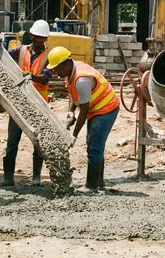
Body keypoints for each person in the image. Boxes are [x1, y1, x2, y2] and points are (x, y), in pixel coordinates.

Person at [47, 46, 119, 193]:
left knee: (94, 145)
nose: (55, 72)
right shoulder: (70, 73)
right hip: (95, 108)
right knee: (95, 143)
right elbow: (72, 95)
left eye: (57, 68)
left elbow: (84, 111)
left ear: (65, 64)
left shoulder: (82, 79)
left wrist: (73, 135)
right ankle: (98, 182)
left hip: (106, 108)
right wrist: (70, 112)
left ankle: (91, 186)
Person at [0, 19, 53, 187]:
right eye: (36, 36)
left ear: (45, 39)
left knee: (37, 142)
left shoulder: (49, 57)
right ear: (32, 35)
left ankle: (36, 177)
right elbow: (5, 55)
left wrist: (31, 76)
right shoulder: (21, 50)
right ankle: (8, 178)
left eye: (41, 38)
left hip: (38, 106)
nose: (38, 40)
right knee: (12, 141)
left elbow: (45, 79)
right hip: (19, 104)